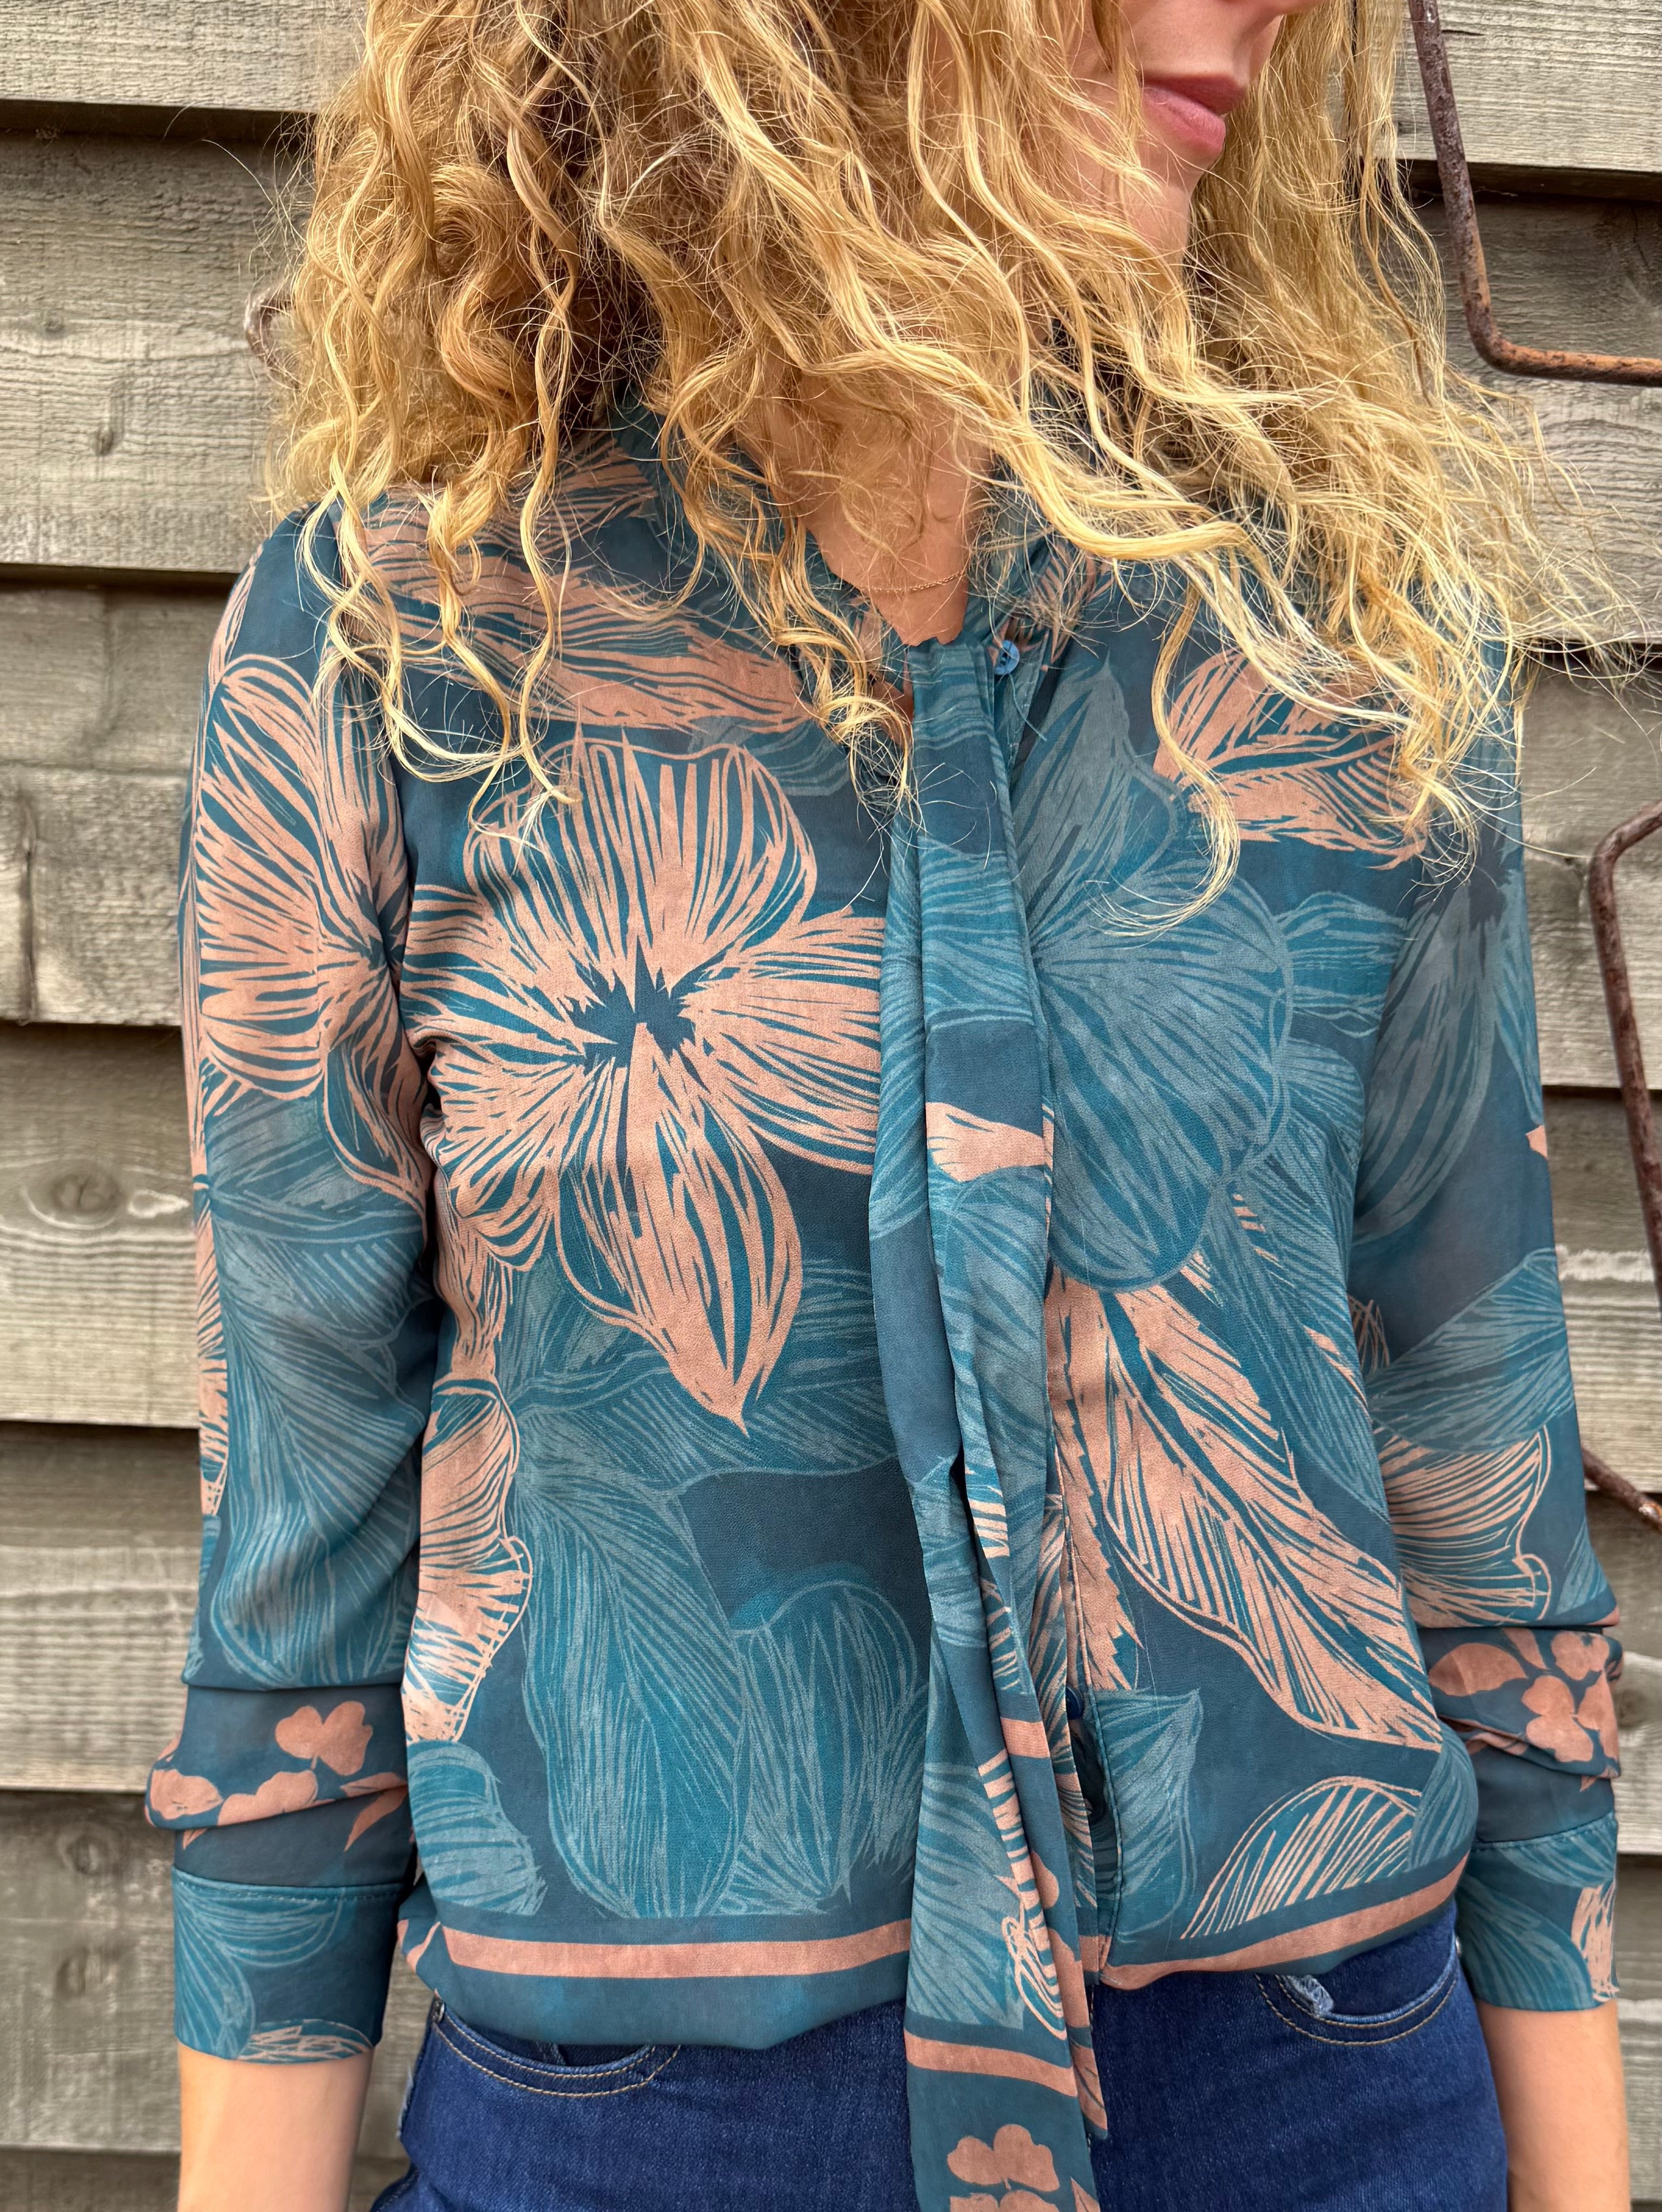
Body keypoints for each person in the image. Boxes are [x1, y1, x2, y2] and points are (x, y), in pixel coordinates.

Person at [152, 0, 1633, 2204]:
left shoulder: (1342, 634)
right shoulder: (397, 647)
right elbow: (299, 1563)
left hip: (1313, 2097)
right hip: (639, 2138)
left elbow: (1483, 1478)